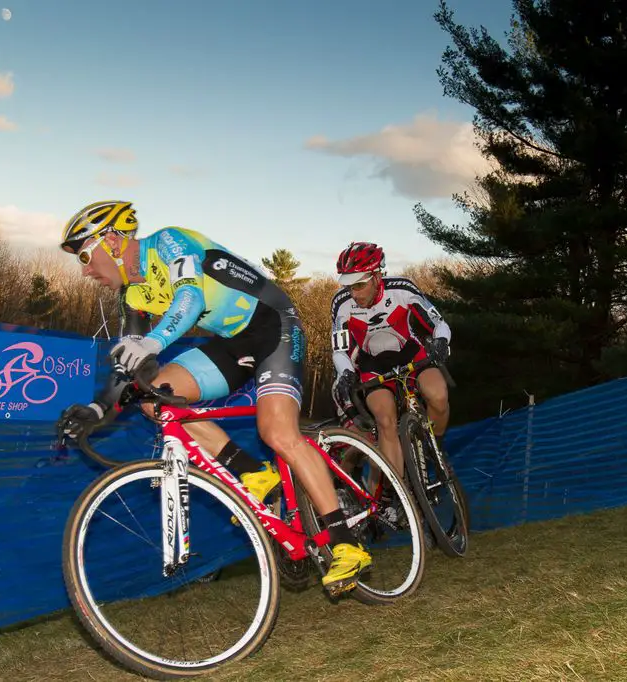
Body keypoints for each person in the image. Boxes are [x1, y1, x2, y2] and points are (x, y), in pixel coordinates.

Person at [56, 200, 372, 594]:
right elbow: (130, 367)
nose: (85, 270)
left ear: (115, 241)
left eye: (86, 255)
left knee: (277, 432)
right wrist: (97, 408)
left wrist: (153, 341)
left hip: (273, 325)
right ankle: (255, 473)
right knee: (155, 398)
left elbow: (191, 298)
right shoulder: (132, 296)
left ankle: (345, 542)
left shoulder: (169, 243)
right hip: (231, 342)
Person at [329, 242, 452, 504]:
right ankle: (400, 495)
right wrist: (346, 372)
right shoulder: (342, 304)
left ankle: (435, 447)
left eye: (359, 285)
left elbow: (439, 324)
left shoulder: (402, 290)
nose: (354, 292)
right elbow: (339, 350)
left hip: (410, 354)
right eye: (349, 286)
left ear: (376, 276)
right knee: (385, 421)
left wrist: (440, 342)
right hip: (372, 365)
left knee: (438, 396)